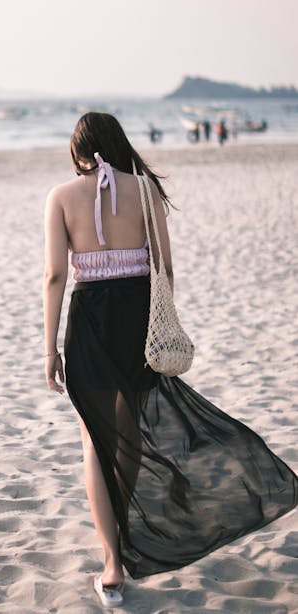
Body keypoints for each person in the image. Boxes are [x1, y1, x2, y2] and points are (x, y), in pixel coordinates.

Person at [43, 112, 297, 608]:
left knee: (94, 442)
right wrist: (157, 324)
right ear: (118, 145)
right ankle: (129, 535)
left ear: (78, 153)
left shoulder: (60, 197)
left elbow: (55, 275)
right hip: (137, 319)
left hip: (90, 323)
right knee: (129, 433)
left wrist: (48, 347)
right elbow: (166, 269)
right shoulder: (146, 193)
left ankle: (112, 563)